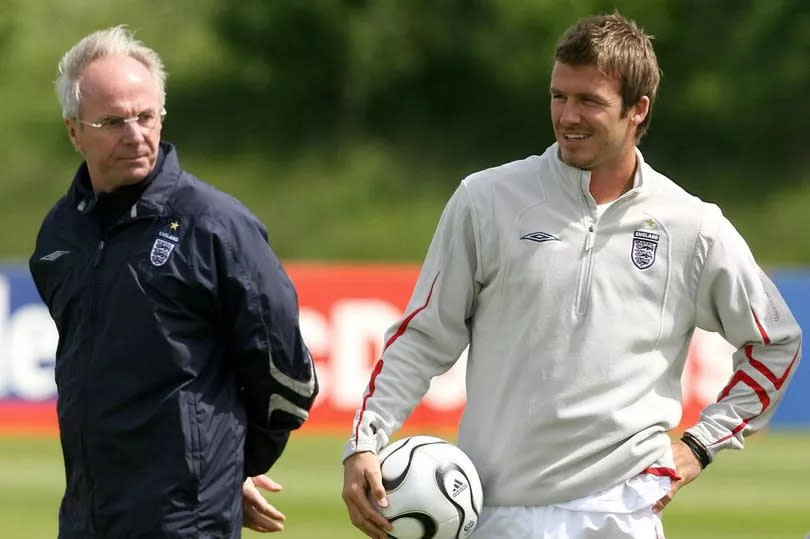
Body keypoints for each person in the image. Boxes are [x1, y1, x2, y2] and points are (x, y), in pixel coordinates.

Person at [341, 12, 802, 539]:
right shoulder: (485, 200)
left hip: (621, 513)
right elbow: (422, 337)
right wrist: (366, 440)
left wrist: (700, 445)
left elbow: (776, 343)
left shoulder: (694, 226)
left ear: (638, 110)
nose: (568, 116)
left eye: (590, 101)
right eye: (559, 96)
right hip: (496, 512)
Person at [29, 26, 318, 538]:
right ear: (74, 131)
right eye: (113, 121)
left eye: (146, 116)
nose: (135, 133)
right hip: (86, 516)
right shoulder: (59, 234)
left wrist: (228, 469)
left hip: (184, 521)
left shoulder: (216, 225)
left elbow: (287, 374)